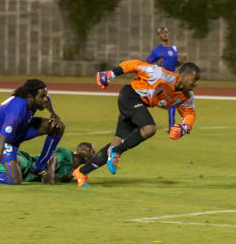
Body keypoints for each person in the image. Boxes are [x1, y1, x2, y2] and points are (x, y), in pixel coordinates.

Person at [71, 60, 201, 188]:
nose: (196, 83)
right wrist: (110, 74)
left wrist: (184, 128)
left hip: (139, 104)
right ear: (183, 76)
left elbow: (190, 113)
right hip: (130, 96)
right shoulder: (160, 75)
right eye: (194, 79)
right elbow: (135, 65)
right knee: (149, 128)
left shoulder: (186, 96)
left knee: (117, 142)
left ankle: (81, 172)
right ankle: (116, 151)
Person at [0, 79, 65, 187]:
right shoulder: (16, 112)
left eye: (45, 95)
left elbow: (47, 99)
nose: (45, 99)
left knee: (57, 126)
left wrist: (53, 113)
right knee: (15, 180)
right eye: (42, 97)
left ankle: (39, 167)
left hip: (22, 126)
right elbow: (0, 141)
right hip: (5, 138)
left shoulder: (33, 97)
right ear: (30, 97)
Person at [145, 26, 187, 131]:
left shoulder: (173, 49)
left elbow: (173, 63)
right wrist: (156, 63)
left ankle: (171, 126)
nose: (165, 34)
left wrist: (180, 62)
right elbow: (146, 63)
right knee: (153, 101)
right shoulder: (156, 51)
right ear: (158, 36)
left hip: (171, 78)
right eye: (162, 33)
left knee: (172, 102)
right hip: (161, 78)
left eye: (166, 32)